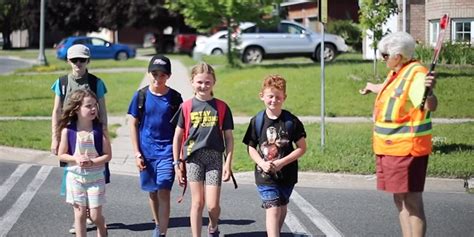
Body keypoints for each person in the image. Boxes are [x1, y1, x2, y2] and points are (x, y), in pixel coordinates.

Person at [359, 31, 438, 237]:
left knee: (411, 201)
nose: (382, 58)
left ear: (399, 56)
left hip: (407, 151)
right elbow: (391, 90)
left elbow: (430, 105)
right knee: (399, 198)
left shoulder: (417, 75)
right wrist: (371, 87)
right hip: (390, 149)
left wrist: (430, 92)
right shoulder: (398, 72)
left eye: (385, 55)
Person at [50, 44, 110, 234]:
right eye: (74, 60)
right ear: (68, 61)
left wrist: (105, 133)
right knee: (73, 174)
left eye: (82, 60)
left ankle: (93, 216)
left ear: (88, 61)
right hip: (70, 134)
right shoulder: (61, 82)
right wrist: (55, 138)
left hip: (92, 134)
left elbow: (103, 110)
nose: (78, 63)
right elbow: (57, 111)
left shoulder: (96, 82)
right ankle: (79, 217)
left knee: (94, 173)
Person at [172, 62, 234, 237]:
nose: (203, 86)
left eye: (207, 82)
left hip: (214, 158)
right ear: (192, 82)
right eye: (199, 82)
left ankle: (213, 226)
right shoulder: (186, 107)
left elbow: (229, 138)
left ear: (213, 82)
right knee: (197, 203)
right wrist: (177, 163)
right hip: (193, 158)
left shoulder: (221, 107)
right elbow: (177, 137)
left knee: (212, 205)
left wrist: (228, 164)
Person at [242, 74, 307, 237]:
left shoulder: (291, 121)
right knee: (273, 209)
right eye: (270, 96)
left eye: (278, 97)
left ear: (284, 97)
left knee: (282, 206)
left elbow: (302, 148)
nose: (274, 100)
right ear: (262, 96)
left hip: (287, 174)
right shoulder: (257, 121)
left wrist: (282, 162)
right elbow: (251, 147)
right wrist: (261, 163)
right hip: (265, 175)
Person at [128, 55, 182, 237]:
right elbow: (132, 123)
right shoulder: (141, 95)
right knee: (152, 192)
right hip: (146, 152)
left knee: (164, 190)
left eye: (162, 75)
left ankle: (162, 233)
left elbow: (181, 128)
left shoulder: (175, 98)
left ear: (168, 76)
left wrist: (179, 157)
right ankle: (158, 224)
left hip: (167, 152)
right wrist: (136, 153)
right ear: (149, 73)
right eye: (154, 74)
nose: (158, 78)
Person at [57, 89, 111, 237]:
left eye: (95, 105)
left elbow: (108, 155)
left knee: (95, 216)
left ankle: (102, 227)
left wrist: (92, 162)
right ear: (76, 109)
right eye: (88, 106)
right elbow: (61, 155)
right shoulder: (68, 131)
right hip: (75, 179)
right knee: (79, 216)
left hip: (96, 179)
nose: (93, 108)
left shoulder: (100, 130)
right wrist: (76, 159)